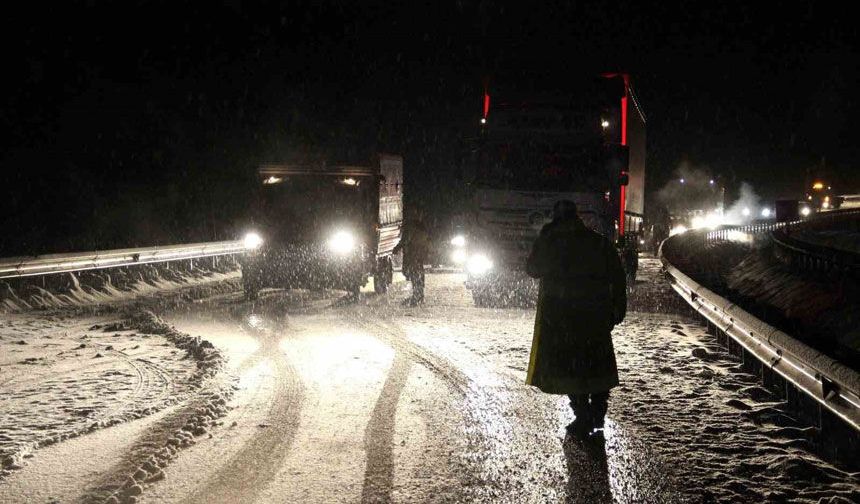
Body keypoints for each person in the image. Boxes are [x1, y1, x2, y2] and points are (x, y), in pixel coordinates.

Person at [525, 200, 627, 438]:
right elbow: (617, 277)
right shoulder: (599, 243)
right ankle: (598, 413)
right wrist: (617, 308)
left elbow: (532, 269)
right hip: (595, 315)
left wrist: (542, 238)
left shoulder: (551, 242)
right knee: (597, 364)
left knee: (570, 368)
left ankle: (583, 415)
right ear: (578, 218)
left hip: (561, 317)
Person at [393, 214, 430, 305]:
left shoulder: (411, 226)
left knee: (413, 274)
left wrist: (397, 247)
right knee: (418, 274)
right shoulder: (421, 226)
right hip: (418, 253)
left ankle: (417, 296)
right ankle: (419, 295)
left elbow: (406, 239)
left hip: (412, 253)